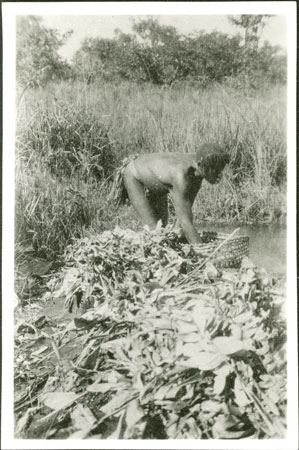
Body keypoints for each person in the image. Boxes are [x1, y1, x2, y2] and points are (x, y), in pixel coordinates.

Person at [111, 143, 229, 244]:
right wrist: (205, 254)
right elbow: (185, 221)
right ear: (200, 165)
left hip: (155, 178)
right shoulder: (182, 176)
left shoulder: (199, 168)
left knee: (166, 231)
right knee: (156, 232)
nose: (219, 174)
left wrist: (180, 233)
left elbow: (186, 210)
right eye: (215, 170)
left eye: (220, 169)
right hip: (135, 176)